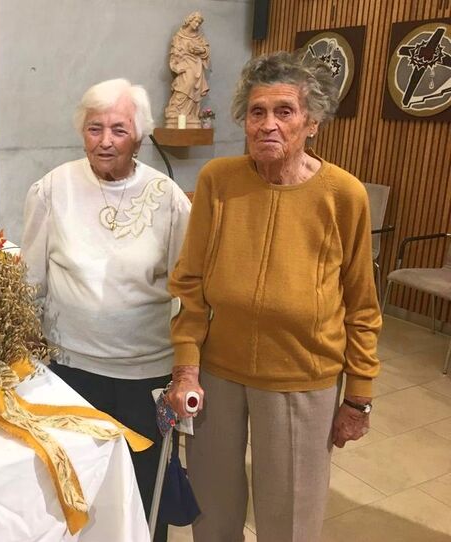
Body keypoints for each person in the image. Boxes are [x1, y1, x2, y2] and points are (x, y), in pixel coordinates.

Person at [166, 51, 381, 542]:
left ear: (312, 122)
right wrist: (186, 365)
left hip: (302, 379)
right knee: (212, 512)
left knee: (288, 519)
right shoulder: (218, 182)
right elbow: (189, 282)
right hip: (217, 374)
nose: (268, 125)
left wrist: (360, 396)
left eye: (285, 112)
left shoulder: (344, 195)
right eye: (257, 112)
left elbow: (363, 305)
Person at [21, 78, 192, 541]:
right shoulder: (53, 188)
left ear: (139, 134)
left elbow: (187, 287)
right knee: (76, 485)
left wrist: (186, 368)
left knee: (143, 488)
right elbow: (30, 277)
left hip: (147, 374)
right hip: (70, 369)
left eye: (118, 129)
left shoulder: (168, 200)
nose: (105, 141)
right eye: (94, 128)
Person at [164, 11, 211, 128]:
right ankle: (176, 110)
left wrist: (200, 50)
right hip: (185, 65)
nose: (197, 24)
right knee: (186, 85)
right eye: (196, 21)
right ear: (189, 20)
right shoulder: (179, 36)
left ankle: (190, 115)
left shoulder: (200, 38)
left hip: (197, 66)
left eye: (199, 23)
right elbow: (174, 53)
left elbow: (206, 51)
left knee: (195, 89)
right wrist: (175, 64)